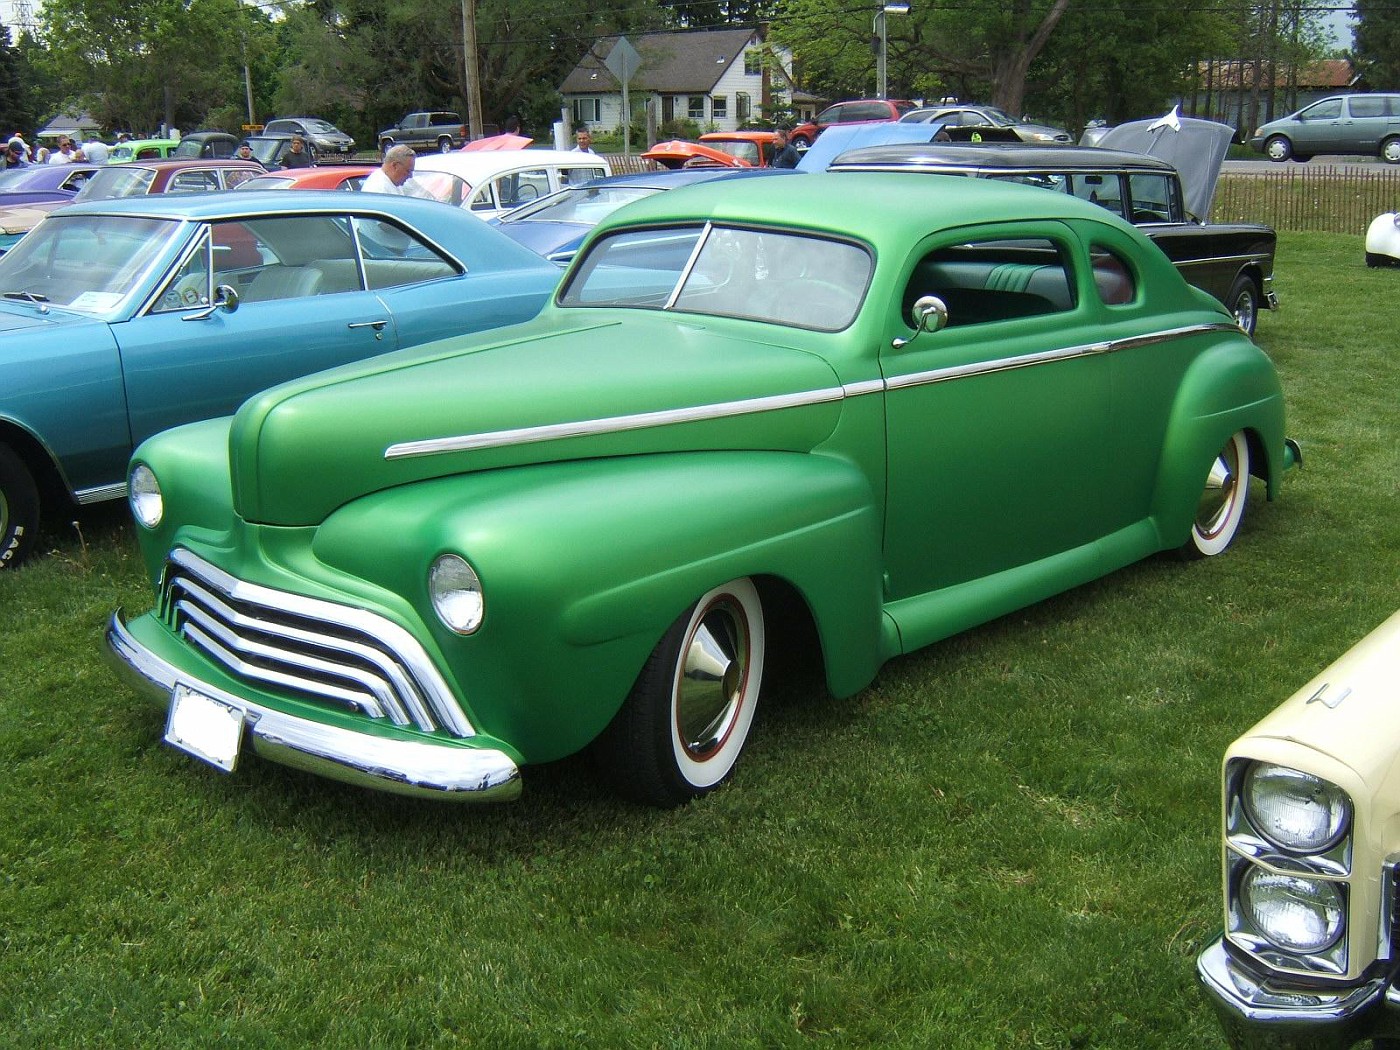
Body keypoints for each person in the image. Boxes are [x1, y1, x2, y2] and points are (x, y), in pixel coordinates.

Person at [362, 144, 433, 197]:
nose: (410, 176)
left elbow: (420, 193)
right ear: (395, 166)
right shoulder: (379, 190)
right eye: (408, 171)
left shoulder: (393, 182)